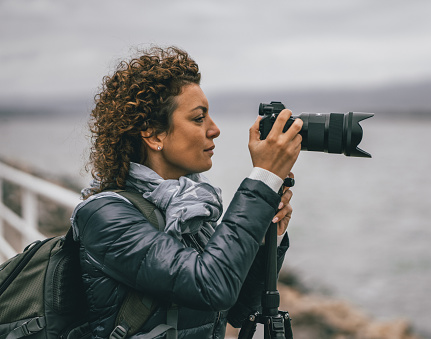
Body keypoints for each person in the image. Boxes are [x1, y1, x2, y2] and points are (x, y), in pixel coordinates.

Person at [70, 46, 302, 339]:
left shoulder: (189, 209)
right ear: (154, 134)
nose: (214, 129)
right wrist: (263, 179)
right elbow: (210, 285)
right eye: (198, 118)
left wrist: (270, 233)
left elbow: (237, 309)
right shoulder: (106, 217)